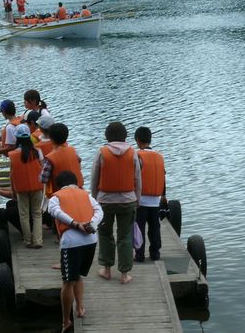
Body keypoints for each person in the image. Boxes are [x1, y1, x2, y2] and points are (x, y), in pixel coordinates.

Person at [48, 171, 103, 333]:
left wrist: (74, 223)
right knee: (79, 276)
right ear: (76, 182)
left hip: (71, 242)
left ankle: (66, 320)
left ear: (59, 185)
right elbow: (99, 210)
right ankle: (79, 308)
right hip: (91, 240)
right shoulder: (86, 195)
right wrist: (91, 224)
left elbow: (55, 212)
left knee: (67, 281)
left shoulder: (56, 197)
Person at [90, 122, 141, 284]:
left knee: (105, 234)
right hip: (128, 200)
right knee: (125, 236)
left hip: (105, 201)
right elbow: (137, 179)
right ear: (125, 136)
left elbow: (94, 178)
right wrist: (137, 199)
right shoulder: (133, 153)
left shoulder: (101, 152)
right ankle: (125, 274)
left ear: (107, 136)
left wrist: (94, 199)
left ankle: (106, 269)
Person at [8, 124, 44, 249]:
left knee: (24, 214)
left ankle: (28, 240)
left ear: (17, 138)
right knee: (37, 213)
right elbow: (42, 167)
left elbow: (11, 175)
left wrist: (13, 191)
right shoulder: (37, 151)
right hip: (37, 186)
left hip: (21, 187)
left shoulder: (12, 155)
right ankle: (38, 240)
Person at [134, 126, 166, 262]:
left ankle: (139, 255)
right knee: (155, 229)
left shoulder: (137, 155)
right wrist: (164, 196)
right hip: (155, 200)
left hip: (140, 201)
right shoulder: (160, 156)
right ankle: (155, 254)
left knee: (139, 228)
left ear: (137, 140)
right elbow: (163, 178)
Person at [40, 123, 84, 198]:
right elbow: (79, 165)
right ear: (66, 137)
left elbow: (43, 179)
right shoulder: (73, 151)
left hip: (61, 195)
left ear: (51, 139)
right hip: (79, 190)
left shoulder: (50, 158)